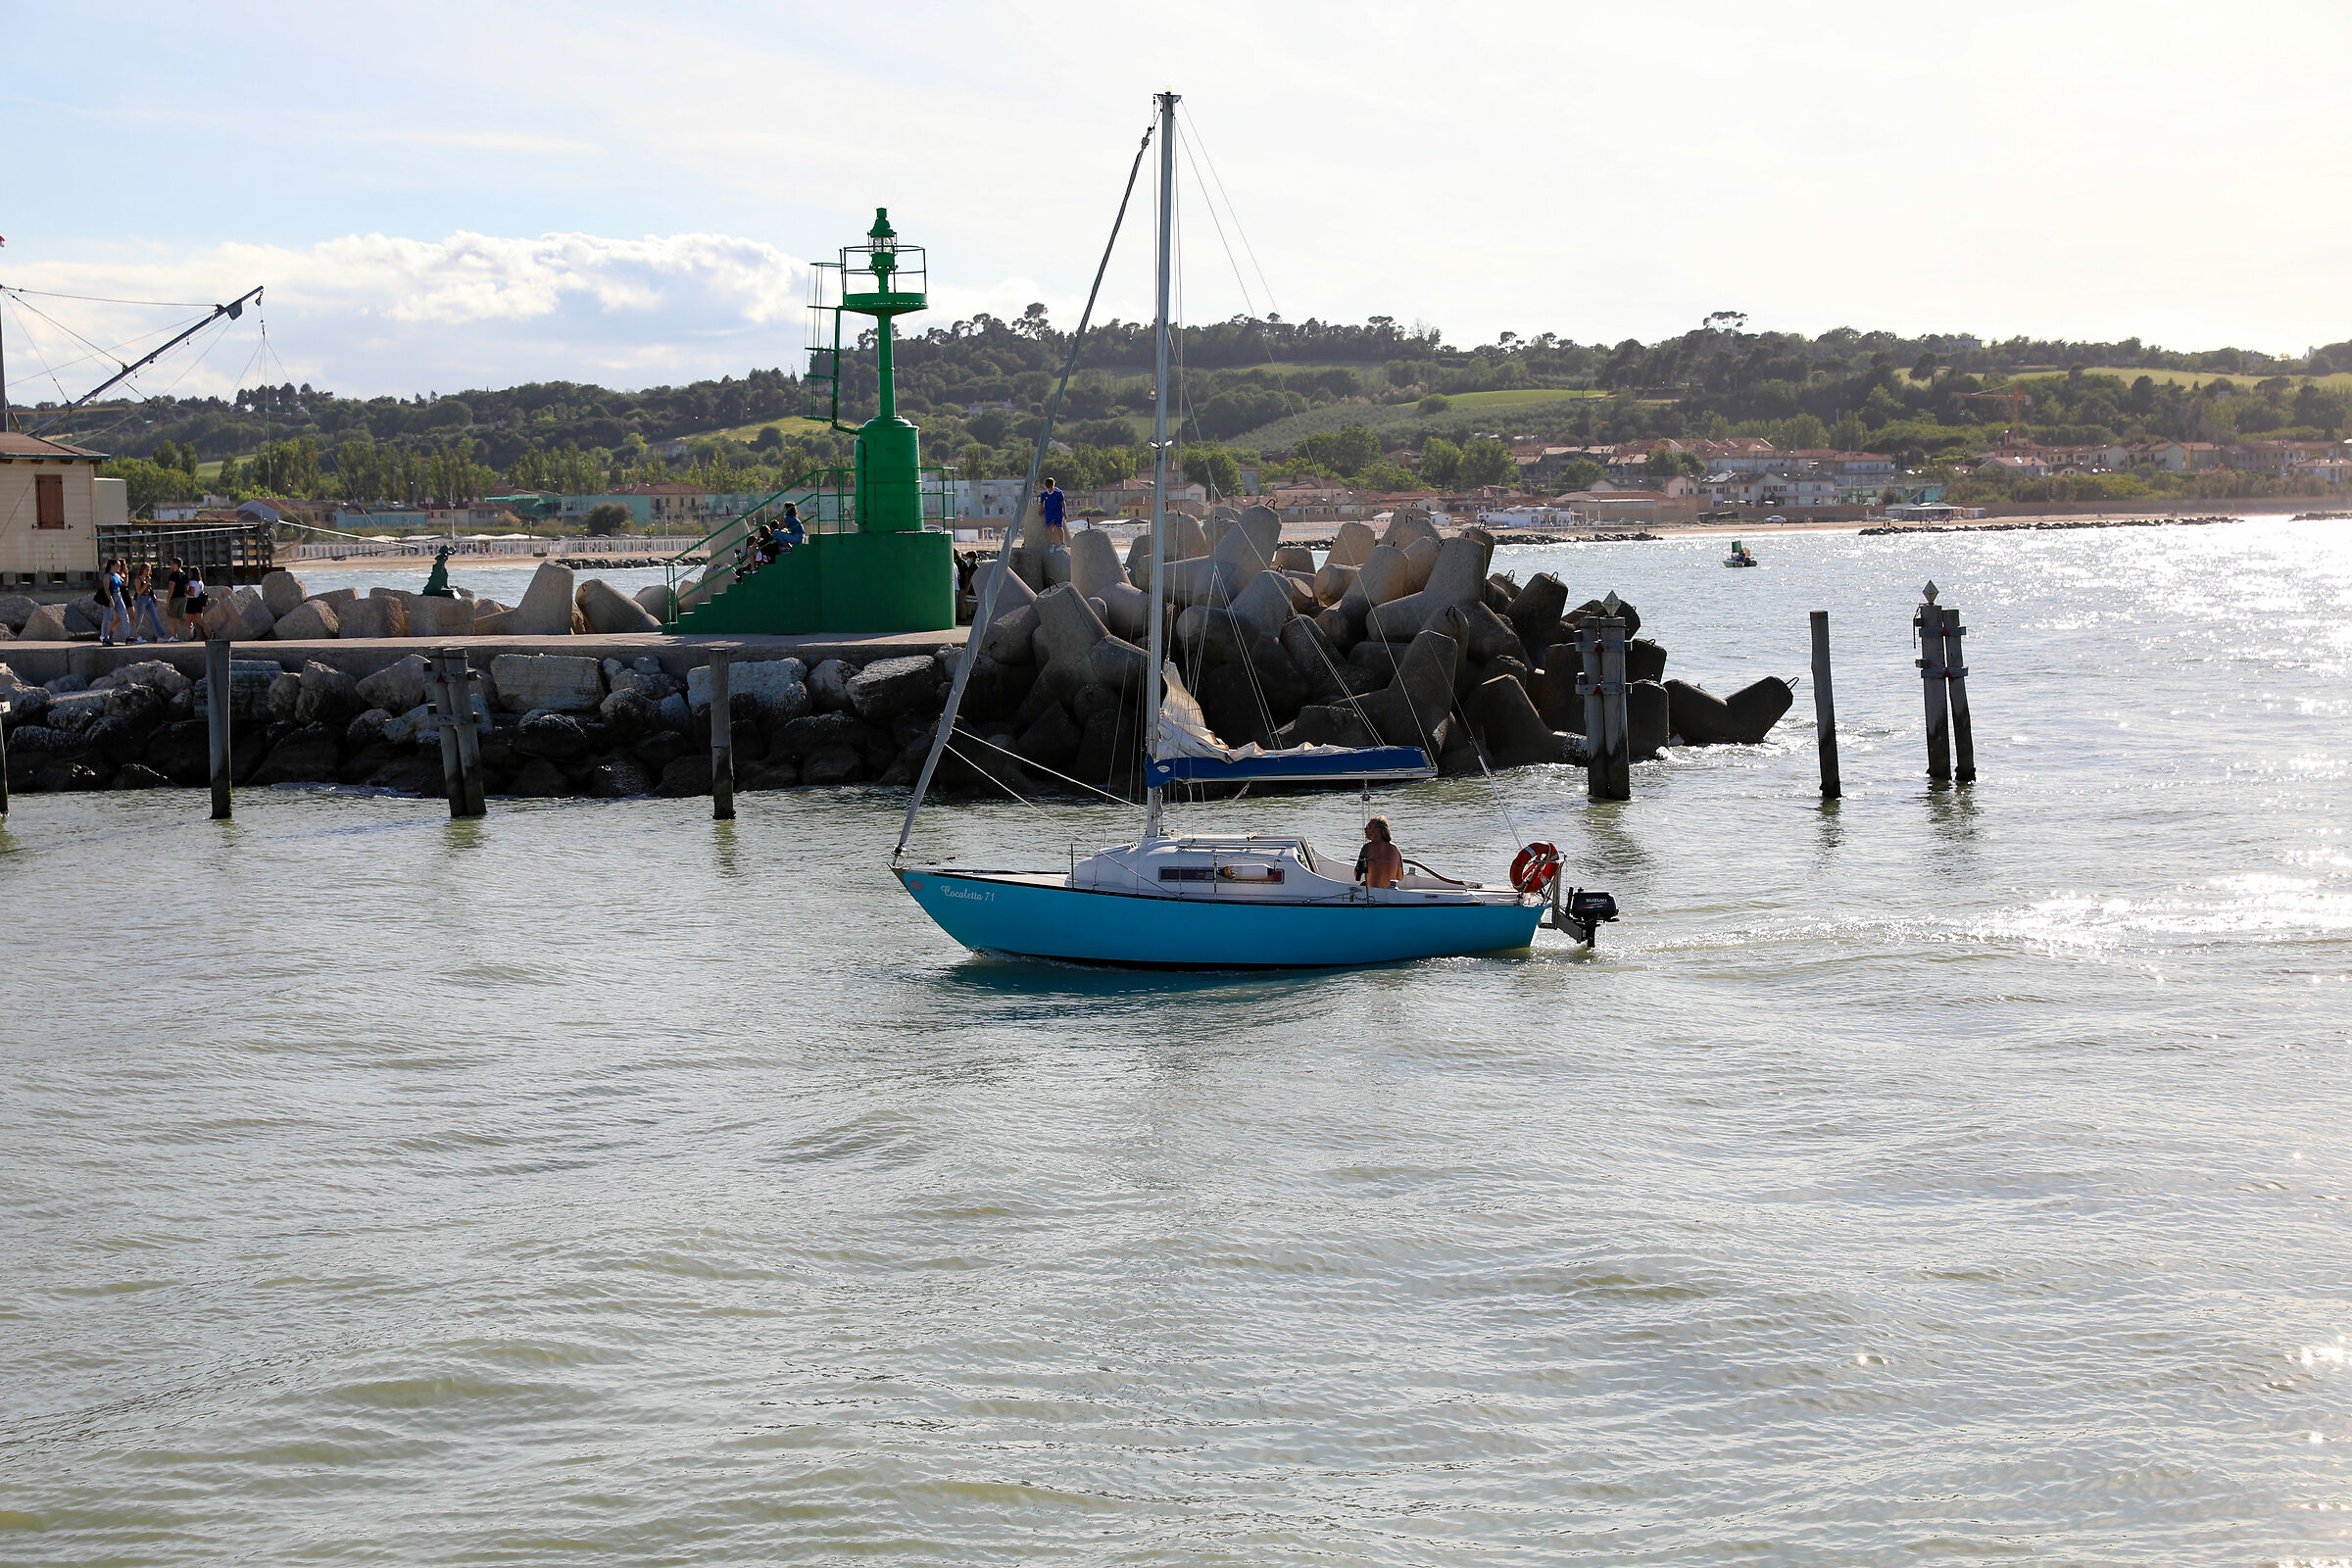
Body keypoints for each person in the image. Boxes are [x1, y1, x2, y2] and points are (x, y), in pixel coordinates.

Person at [1355, 815, 1403, 891]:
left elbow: (1357, 875)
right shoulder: (1395, 848)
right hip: (1390, 892)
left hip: (1374, 893)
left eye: (1368, 827)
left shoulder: (1367, 847)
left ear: (1377, 830)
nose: (1365, 829)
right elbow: (1400, 877)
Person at [96, 558, 131, 646]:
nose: (119, 567)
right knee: (108, 617)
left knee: (124, 614)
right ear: (112, 566)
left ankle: (127, 636)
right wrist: (110, 600)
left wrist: (126, 574)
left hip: (118, 595)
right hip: (111, 596)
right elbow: (106, 589)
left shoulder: (117, 575)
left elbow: (124, 584)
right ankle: (104, 637)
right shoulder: (108, 576)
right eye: (117, 565)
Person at [130, 561, 166, 644]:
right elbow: (139, 592)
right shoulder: (138, 579)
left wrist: (154, 599)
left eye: (149, 569)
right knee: (139, 618)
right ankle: (132, 635)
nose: (147, 571)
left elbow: (150, 590)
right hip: (141, 598)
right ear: (142, 570)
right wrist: (146, 584)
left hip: (149, 598)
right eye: (146, 569)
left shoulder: (147, 578)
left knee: (155, 616)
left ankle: (160, 635)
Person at [164, 558, 190, 641]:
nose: (170, 566)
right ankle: (191, 628)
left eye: (171, 564)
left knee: (172, 618)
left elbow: (171, 588)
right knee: (179, 617)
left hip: (174, 598)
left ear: (176, 565)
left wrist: (168, 601)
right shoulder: (185, 575)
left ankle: (174, 636)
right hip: (183, 598)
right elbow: (186, 588)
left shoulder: (173, 575)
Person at [1039, 476, 1066, 546]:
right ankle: (1053, 543)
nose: (1049, 489)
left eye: (1051, 487)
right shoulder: (1044, 493)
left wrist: (1065, 512)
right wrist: (1041, 509)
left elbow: (1063, 502)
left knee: (1059, 527)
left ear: (1053, 485)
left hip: (1058, 511)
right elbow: (1041, 502)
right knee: (1049, 527)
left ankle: (1062, 543)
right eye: (1048, 487)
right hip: (1049, 512)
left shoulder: (1058, 492)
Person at [183, 564, 210, 633]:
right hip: (199, 601)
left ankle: (190, 635)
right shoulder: (200, 582)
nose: (188, 573)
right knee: (199, 620)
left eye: (190, 572)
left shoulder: (192, 582)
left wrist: (184, 590)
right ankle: (210, 631)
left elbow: (192, 593)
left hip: (192, 601)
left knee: (189, 620)